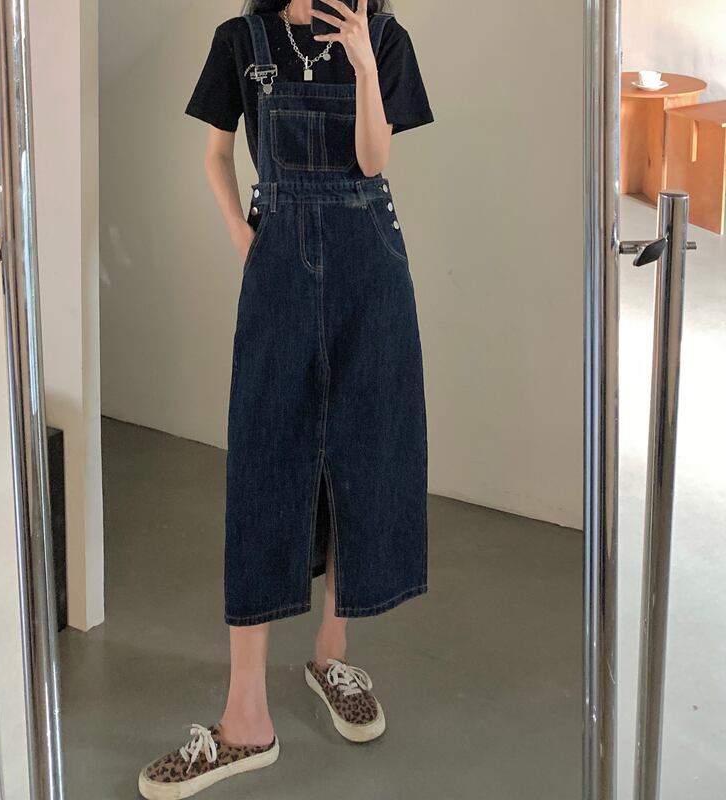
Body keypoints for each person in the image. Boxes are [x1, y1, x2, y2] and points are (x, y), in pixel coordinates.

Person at [138, 1, 433, 797]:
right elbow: (215, 154)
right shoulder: (241, 39)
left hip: (371, 265)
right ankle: (246, 717)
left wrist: (364, 65)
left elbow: (373, 160)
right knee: (266, 458)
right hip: (277, 257)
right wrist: (246, 238)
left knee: (362, 450)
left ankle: (331, 655)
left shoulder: (385, 38)